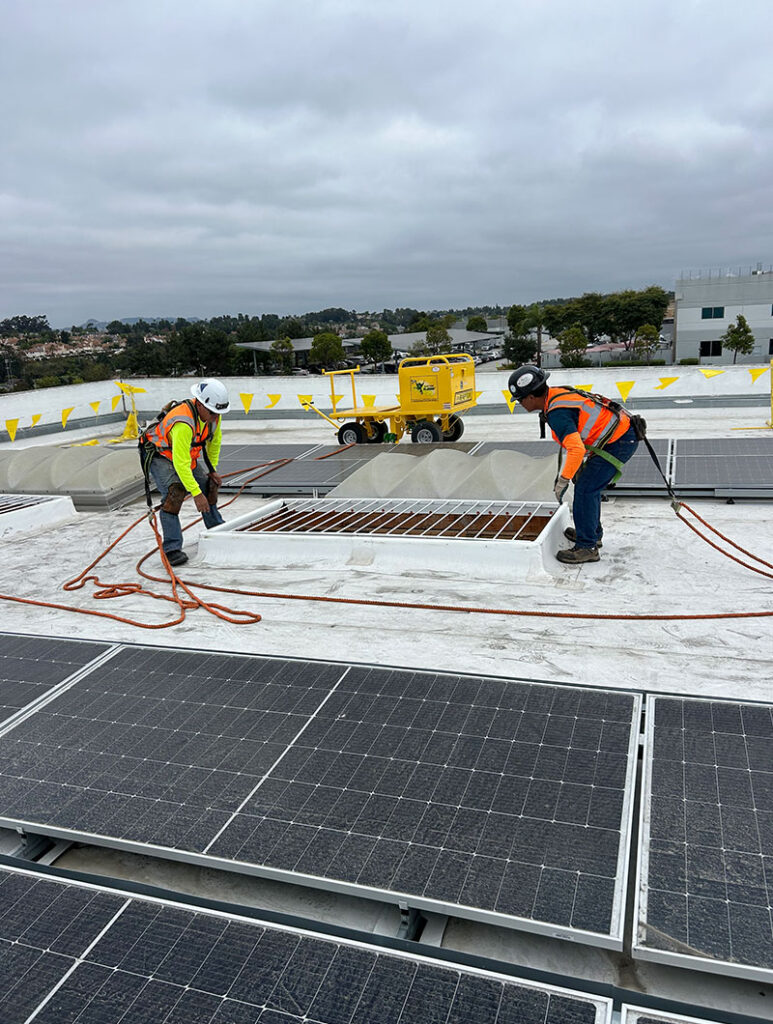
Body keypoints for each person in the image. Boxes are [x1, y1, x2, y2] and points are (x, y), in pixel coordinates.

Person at [508, 365, 639, 564]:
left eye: (520, 400)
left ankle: (588, 547)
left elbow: (576, 449)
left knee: (586, 489)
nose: (520, 404)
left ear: (531, 397)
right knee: (587, 486)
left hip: (619, 441)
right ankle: (592, 534)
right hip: (619, 435)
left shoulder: (556, 413)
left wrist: (563, 480)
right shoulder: (555, 395)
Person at [139, 379, 230, 566]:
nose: (215, 417)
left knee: (208, 486)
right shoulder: (183, 423)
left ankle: (216, 527)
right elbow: (181, 464)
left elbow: (214, 443)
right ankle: (172, 548)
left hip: (183, 455)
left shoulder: (213, 417)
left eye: (218, 413)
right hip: (160, 455)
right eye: (212, 412)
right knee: (174, 494)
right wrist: (196, 494)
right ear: (200, 404)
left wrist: (212, 470)